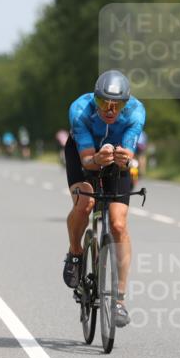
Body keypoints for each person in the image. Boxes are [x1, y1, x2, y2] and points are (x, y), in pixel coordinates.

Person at [62, 70, 145, 328]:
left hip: (116, 158)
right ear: (95, 99)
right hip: (83, 156)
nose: (109, 110)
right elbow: (87, 159)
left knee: (119, 224)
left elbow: (130, 153)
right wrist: (96, 159)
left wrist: (124, 158)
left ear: (126, 103)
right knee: (85, 203)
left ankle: (119, 300)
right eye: (103, 103)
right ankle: (75, 253)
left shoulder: (136, 112)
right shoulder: (79, 110)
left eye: (117, 104)